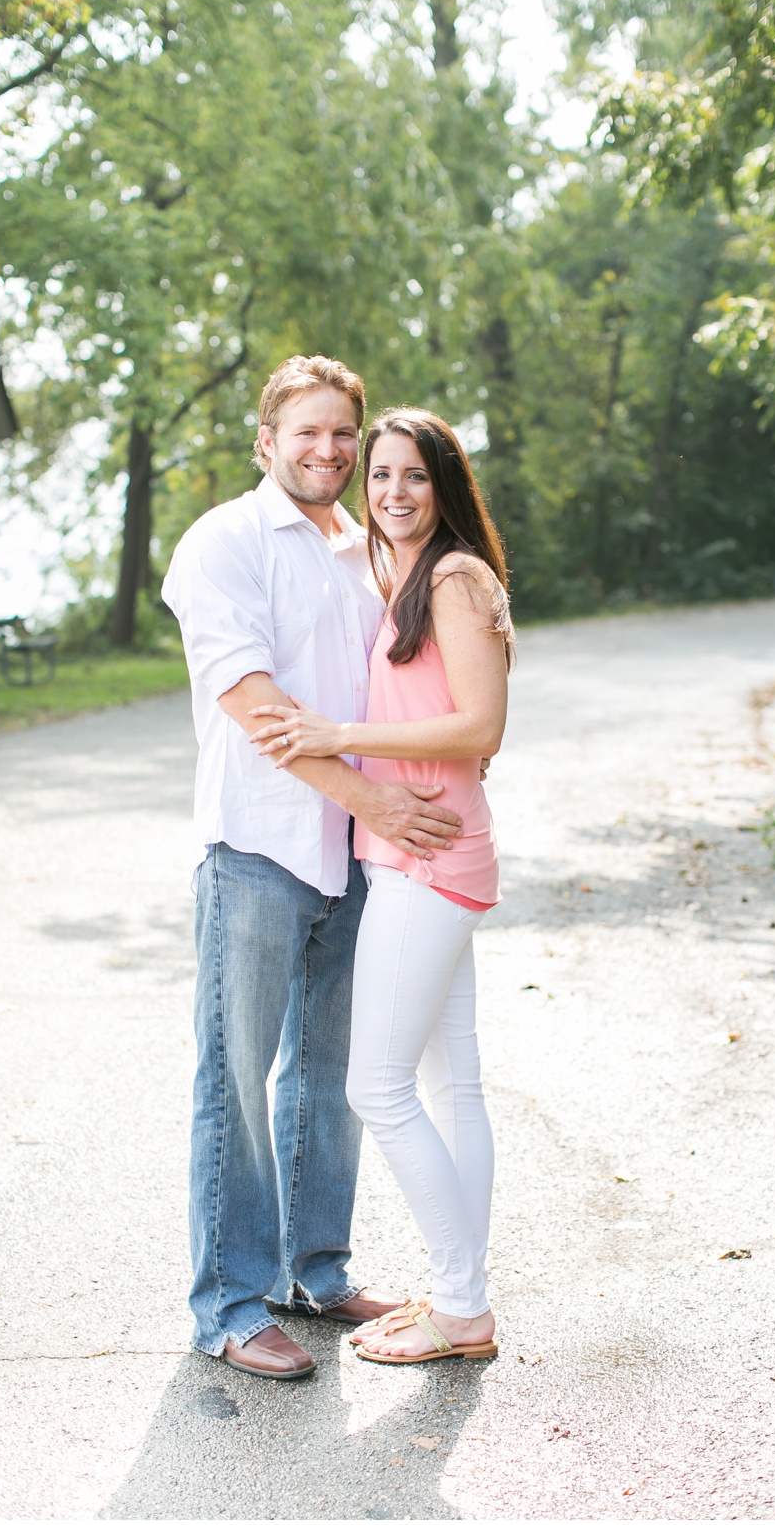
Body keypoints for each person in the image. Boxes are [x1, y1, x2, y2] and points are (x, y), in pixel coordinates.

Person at [162, 357, 465, 1380]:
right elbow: (255, 706)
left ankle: (312, 1271)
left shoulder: (362, 550)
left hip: (355, 864)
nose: (330, 450)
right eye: (309, 432)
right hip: (257, 845)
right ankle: (231, 1304)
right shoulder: (224, 543)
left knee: (326, 1077)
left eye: (344, 432)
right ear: (267, 440)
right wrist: (376, 797)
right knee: (237, 1080)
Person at [247, 407, 513, 1365]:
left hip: (425, 860)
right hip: (426, 852)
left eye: (415, 477)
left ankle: (461, 1306)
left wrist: (337, 736)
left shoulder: (453, 577)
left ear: (445, 486)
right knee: (456, 1084)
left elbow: (480, 725)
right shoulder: (407, 574)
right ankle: (462, 1296)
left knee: (378, 1086)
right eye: (383, 475)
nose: (394, 494)